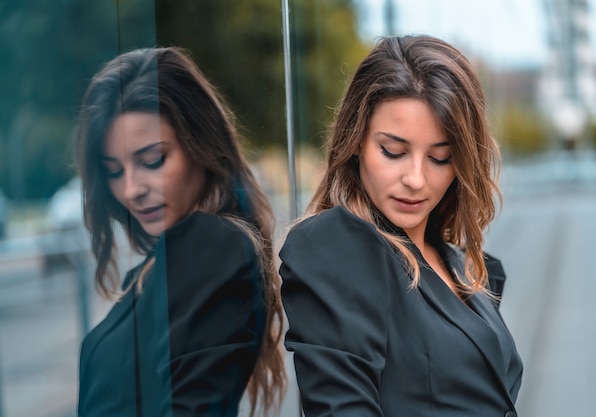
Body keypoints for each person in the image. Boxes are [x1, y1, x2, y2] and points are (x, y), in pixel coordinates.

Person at [279, 35, 523, 416]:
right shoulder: (332, 249)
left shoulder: (469, 269)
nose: (415, 179)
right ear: (357, 139)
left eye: (440, 158)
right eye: (393, 151)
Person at [75, 47, 285, 416]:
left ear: (202, 145)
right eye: (113, 170)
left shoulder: (211, 246)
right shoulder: (169, 261)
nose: (130, 189)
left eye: (152, 160)